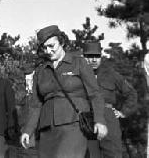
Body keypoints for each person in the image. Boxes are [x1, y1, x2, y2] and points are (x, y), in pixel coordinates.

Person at [19, 25, 108, 157]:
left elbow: (95, 94)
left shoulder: (79, 63)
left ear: (61, 42)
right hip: (47, 128)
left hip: (74, 125)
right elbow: (35, 105)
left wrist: (100, 120)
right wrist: (28, 130)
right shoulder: (41, 71)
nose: (48, 50)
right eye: (44, 47)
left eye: (51, 46)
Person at [82, 40, 137, 158]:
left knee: (112, 154)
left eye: (97, 56)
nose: (93, 60)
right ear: (84, 57)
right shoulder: (77, 76)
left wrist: (123, 112)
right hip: (85, 119)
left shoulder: (110, 74)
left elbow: (131, 93)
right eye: (90, 56)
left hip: (108, 118)